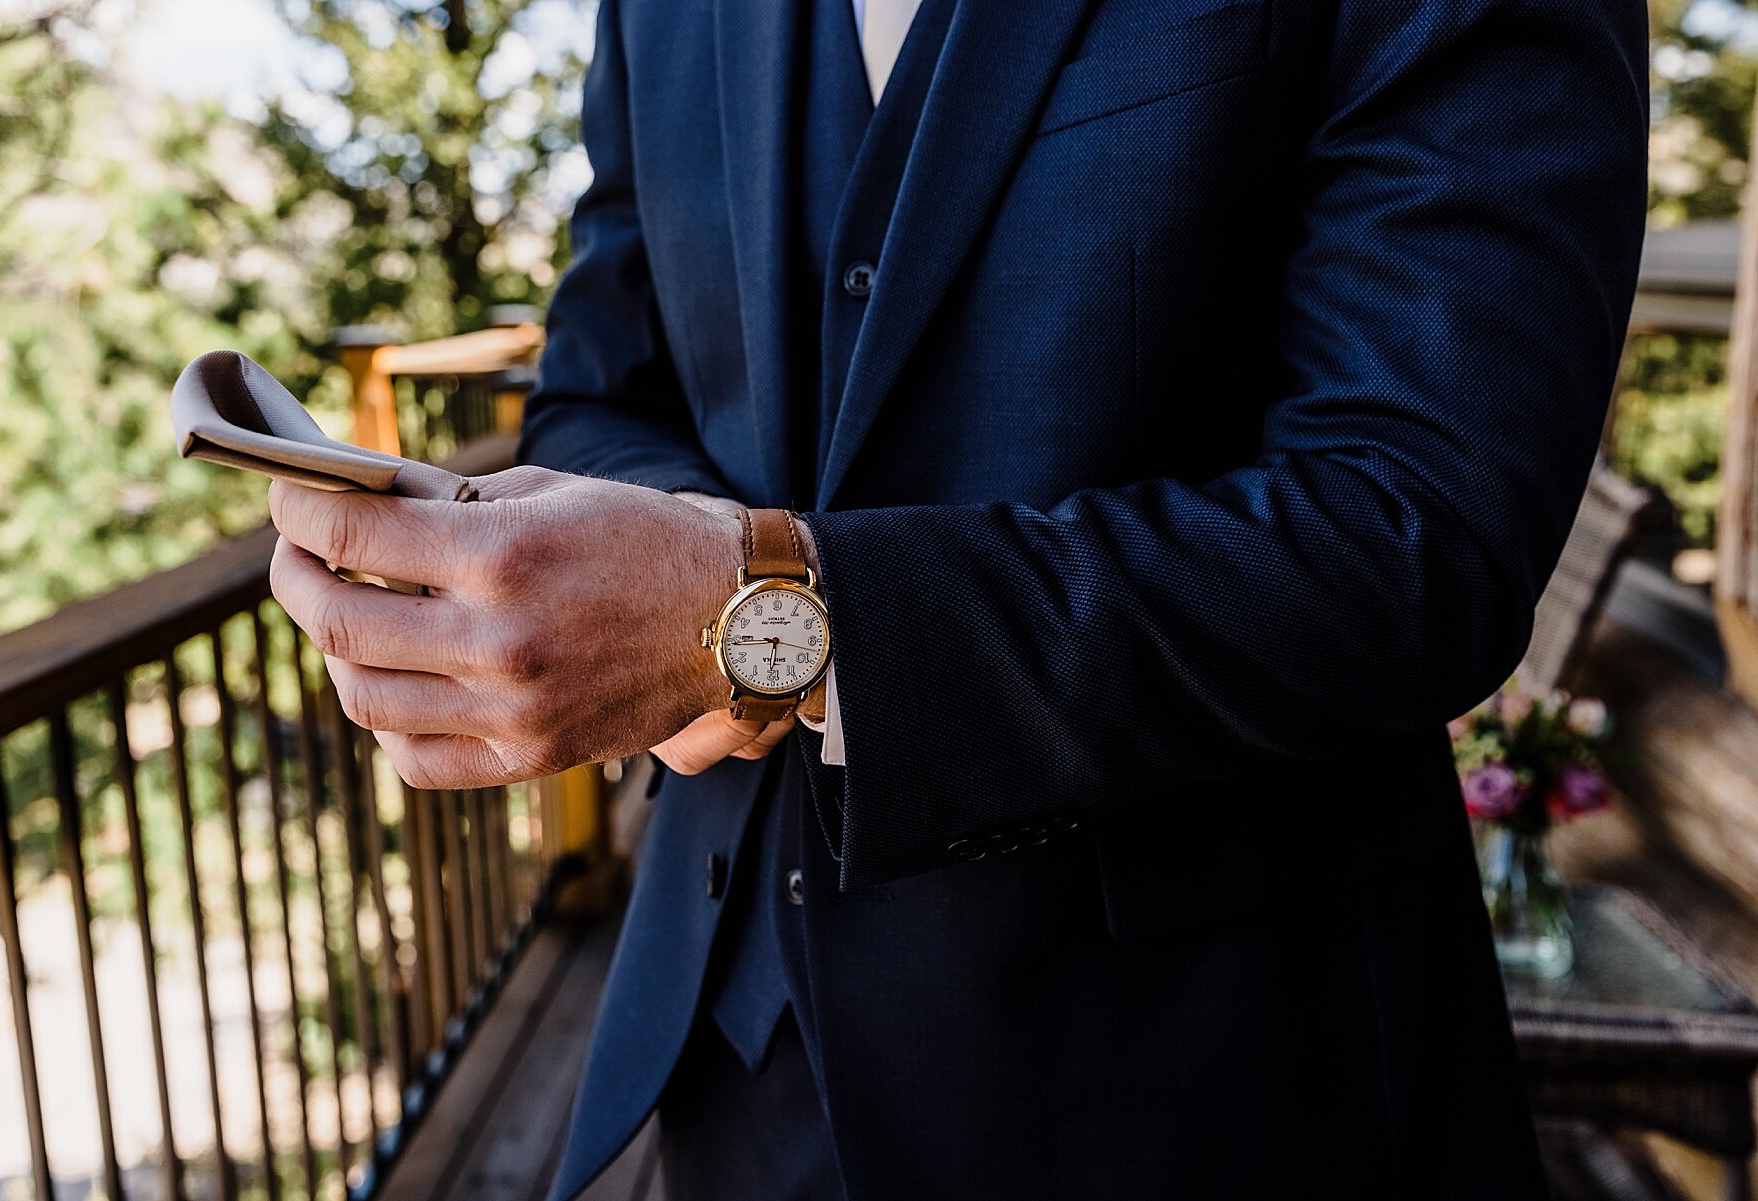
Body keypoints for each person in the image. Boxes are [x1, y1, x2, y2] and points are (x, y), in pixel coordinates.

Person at [264, 0, 1650, 1195]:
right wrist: (668, 569)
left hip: (1212, 1089)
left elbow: (1415, 532)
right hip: (739, 1056)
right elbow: (600, 384)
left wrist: (769, 621)